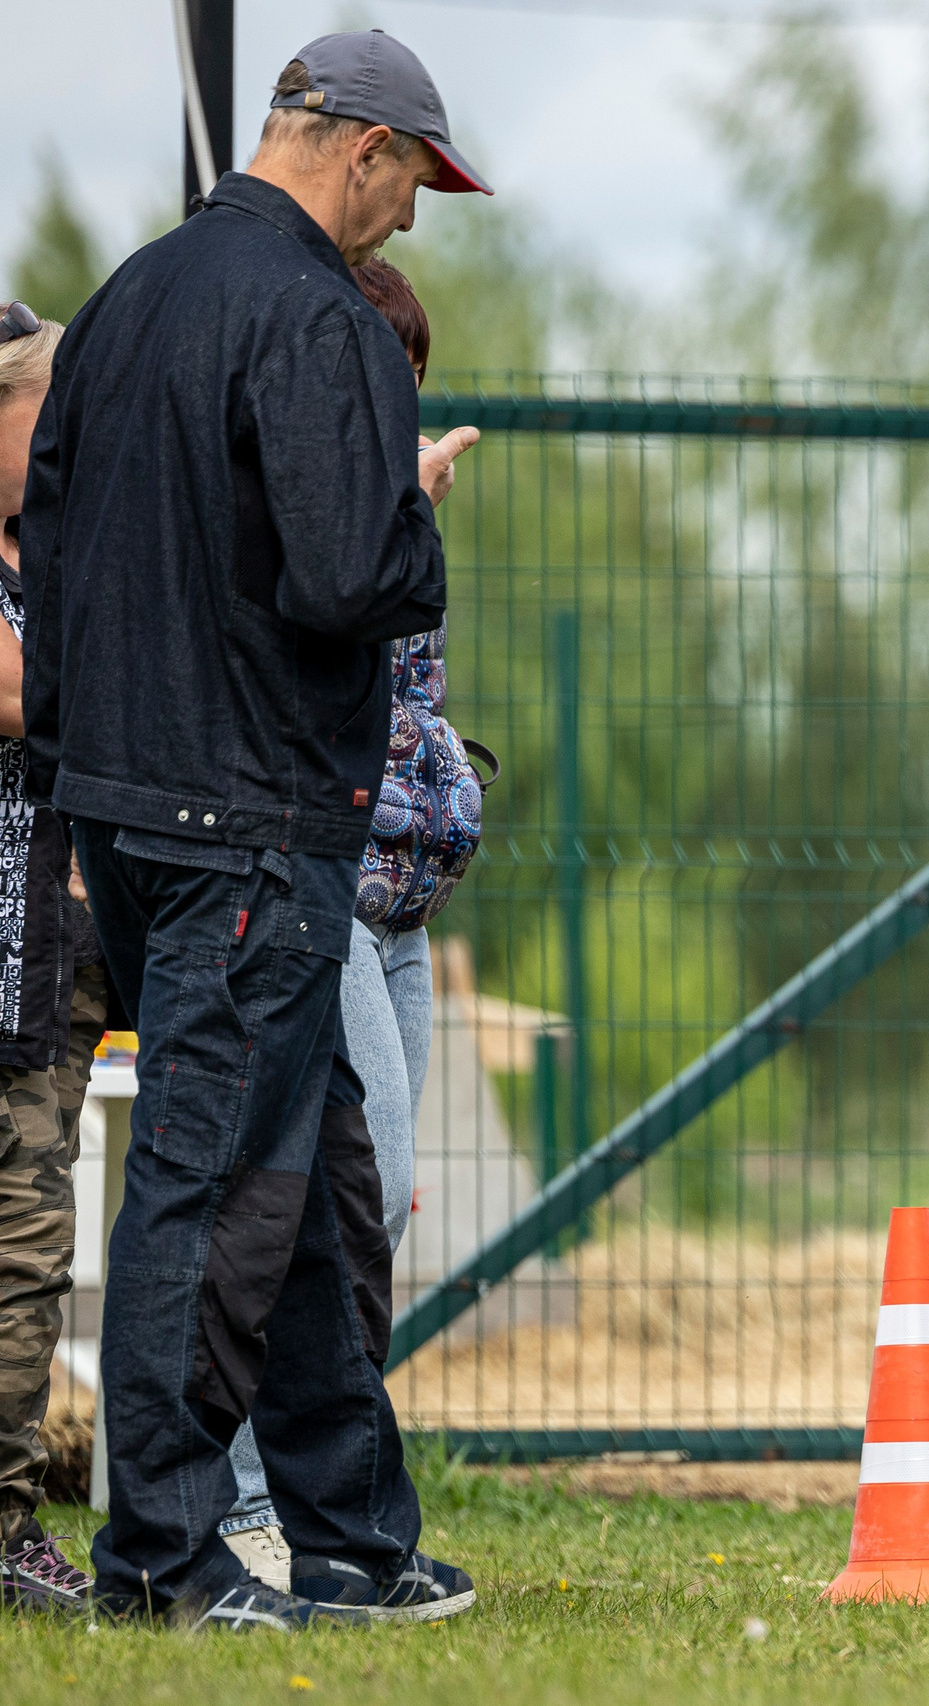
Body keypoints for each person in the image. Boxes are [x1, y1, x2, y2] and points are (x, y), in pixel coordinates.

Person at [17, 31, 490, 1630]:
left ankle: (348, 1524)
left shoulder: (127, 300)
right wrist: (415, 533)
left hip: (127, 812)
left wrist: (87, 780)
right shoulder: (317, 317)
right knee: (216, 1189)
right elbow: (354, 576)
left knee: (306, 1176)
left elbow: (59, 564)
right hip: (255, 816)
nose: (412, 222)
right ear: (360, 148)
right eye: (414, 182)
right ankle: (157, 1556)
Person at [217, 259, 462, 1591]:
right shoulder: (314, 511)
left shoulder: (383, 512)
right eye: (388, 365)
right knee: (327, 1194)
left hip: (404, 910)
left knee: (380, 1202)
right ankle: (255, 1498)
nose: (401, 393)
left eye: (412, 369)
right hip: (327, 900)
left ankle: (325, 1500)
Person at [0, 301, 113, 1615]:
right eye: (47, 414)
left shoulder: (54, 552)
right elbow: (30, 694)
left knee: (26, 1248)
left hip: (38, 962)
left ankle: (10, 1520)